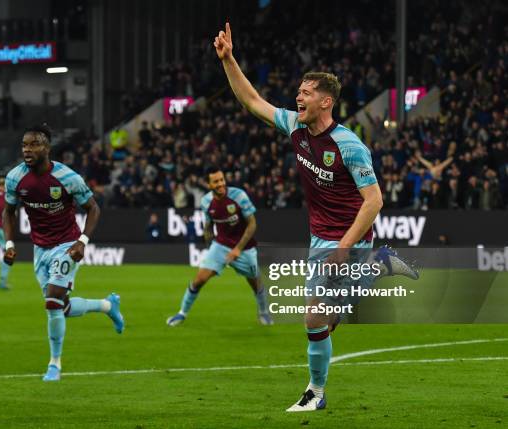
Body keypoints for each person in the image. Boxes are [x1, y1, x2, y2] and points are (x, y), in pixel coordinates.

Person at [214, 23, 417, 412]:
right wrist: (228, 60)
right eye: (299, 92)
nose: (297, 97)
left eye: (306, 93)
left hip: (349, 240)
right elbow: (253, 101)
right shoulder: (295, 126)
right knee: (328, 321)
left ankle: (315, 393)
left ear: (326, 102)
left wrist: (344, 246)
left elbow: (373, 201)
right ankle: (380, 266)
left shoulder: (349, 145)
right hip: (321, 238)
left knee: (312, 318)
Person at [2, 124, 125, 382]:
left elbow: (93, 208)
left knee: (51, 301)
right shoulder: (15, 177)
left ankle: (54, 365)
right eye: (24, 144)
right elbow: (8, 211)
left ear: (47, 148)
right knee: (62, 307)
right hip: (41, 249)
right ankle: (107, 305)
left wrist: (82, 241)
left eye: (34, 144)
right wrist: (10, 244)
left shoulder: (68, 177)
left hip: (67, 245)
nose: (27, 149)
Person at [166, 166, 273, 327]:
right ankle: (182, 314)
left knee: (255, 282)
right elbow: (208, 226)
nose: (220, 184)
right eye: (215, 181)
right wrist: (210, 248)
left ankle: (264, 313)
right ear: (209, 185)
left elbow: (252, 224)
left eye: (221, 180)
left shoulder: (239, 196)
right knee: (199, 280)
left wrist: (237, 248)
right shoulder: (206, 201)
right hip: (221, 245)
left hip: (244, 248)